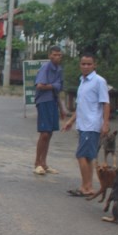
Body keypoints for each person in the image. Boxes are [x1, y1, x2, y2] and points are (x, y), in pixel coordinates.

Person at [62, 53, 110, 197]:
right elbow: (81, 106)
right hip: (83, 125)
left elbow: (106, 103)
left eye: (89, 64)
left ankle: (86, 186)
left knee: (81, 155)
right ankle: (88, 187)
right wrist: (71, 121)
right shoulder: (82, 82)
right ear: (80, 65)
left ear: (94, 65)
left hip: (92, 125)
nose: (86, 66)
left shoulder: (99, 81)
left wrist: (105, 123)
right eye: (83, 64)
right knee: (88, 157)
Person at [33, 45, 65, 175]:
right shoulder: (46, 68)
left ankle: (44, 163)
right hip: (44, 101)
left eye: (59, 55)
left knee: (50, 133)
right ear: (50, 56)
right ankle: (37, 163)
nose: (57, 57)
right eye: (55, 54)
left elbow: (58, 90)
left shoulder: (59, 69)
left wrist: (62, 108)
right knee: (44, 133)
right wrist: (53, 86)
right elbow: (40, 85)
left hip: (53, 101)